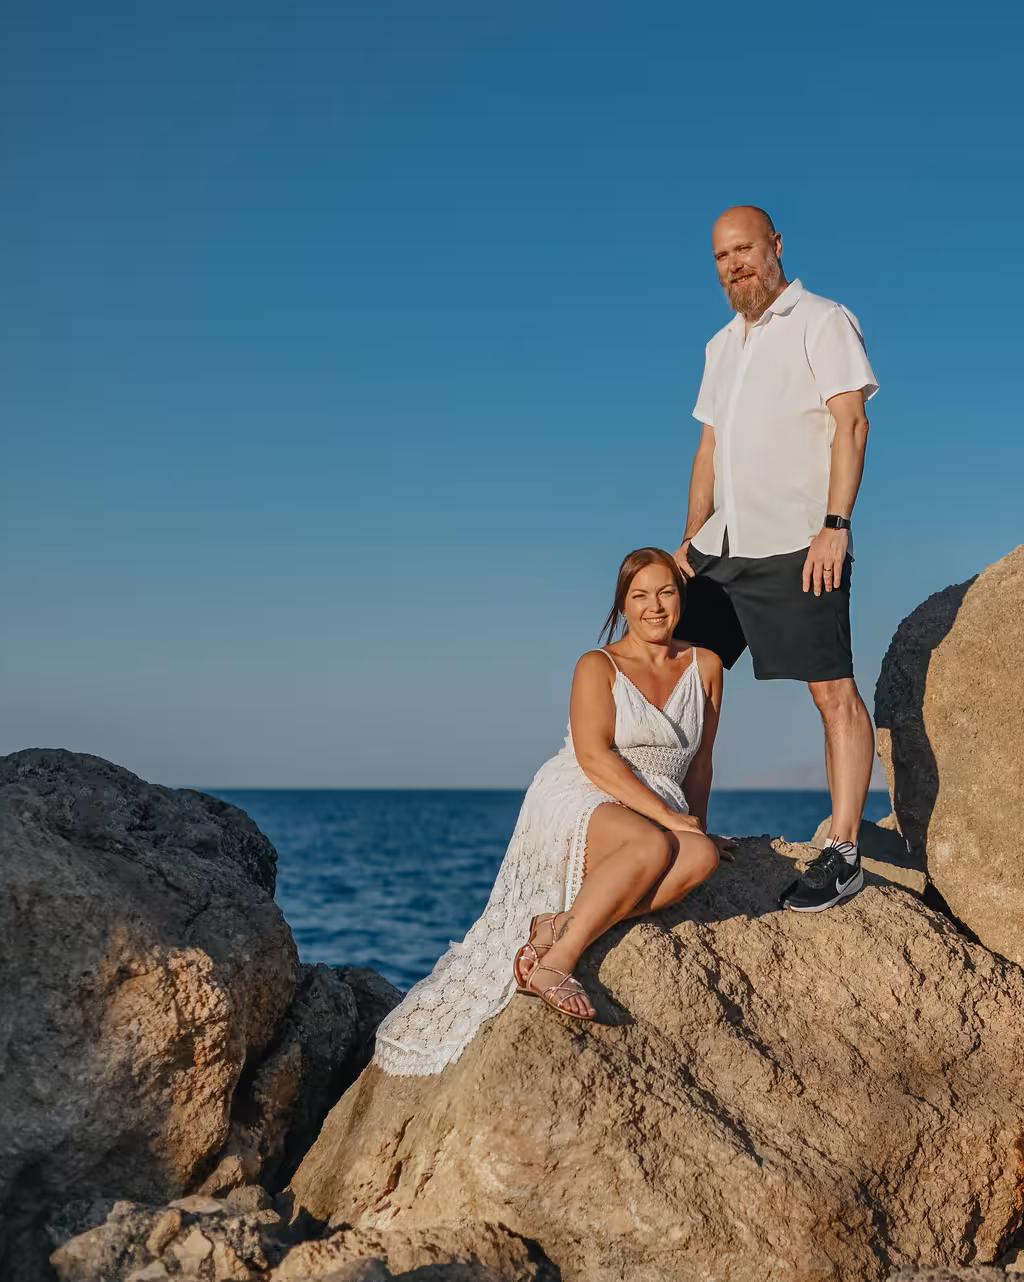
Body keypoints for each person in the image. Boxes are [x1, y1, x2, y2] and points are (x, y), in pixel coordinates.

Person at [373, 548, 725, 1074]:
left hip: (659, 802)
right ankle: (555, 962)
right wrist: (669, 819)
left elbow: (699, 765)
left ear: (682, 598)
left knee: (700, 858)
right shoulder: (597, 665)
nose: (655, 607)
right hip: (584, 790)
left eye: (667, 592)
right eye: (640, 596)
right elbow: (593, 757)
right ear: (622, 605)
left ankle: (555, 923)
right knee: (651, 845)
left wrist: (696, 823)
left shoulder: (707, 664)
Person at [672, 205, 878, 914]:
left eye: (744, 250)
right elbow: (709, 452)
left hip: (800, 540)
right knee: (688, 681)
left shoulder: (824, 321)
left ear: (775, 247)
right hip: (723, 546)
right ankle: (685, 832)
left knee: (832, 693)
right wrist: (689, 540)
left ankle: (845, 852)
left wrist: (835, 525)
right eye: (722, 257)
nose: (734, 265)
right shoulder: (719, 346)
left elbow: (852, 422)